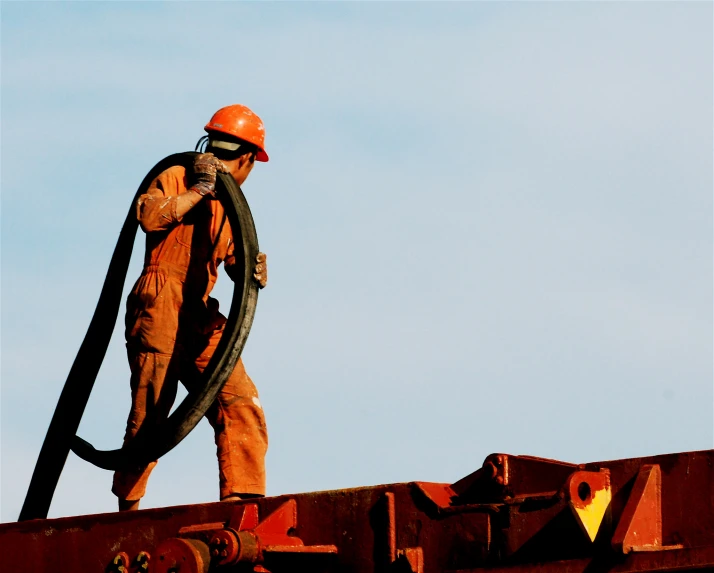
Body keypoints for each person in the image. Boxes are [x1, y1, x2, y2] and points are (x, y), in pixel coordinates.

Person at [112, 104, 269, 511]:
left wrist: (253, 267)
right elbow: (149, 218)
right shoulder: (176, 176)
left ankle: (241, 505)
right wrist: (197, 191)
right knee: (152, 411)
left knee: (239, 400)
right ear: (249, 158)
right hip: (160, 300)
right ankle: (128, 510)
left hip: (199, 312)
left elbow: (236, 263)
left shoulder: (230, 206)